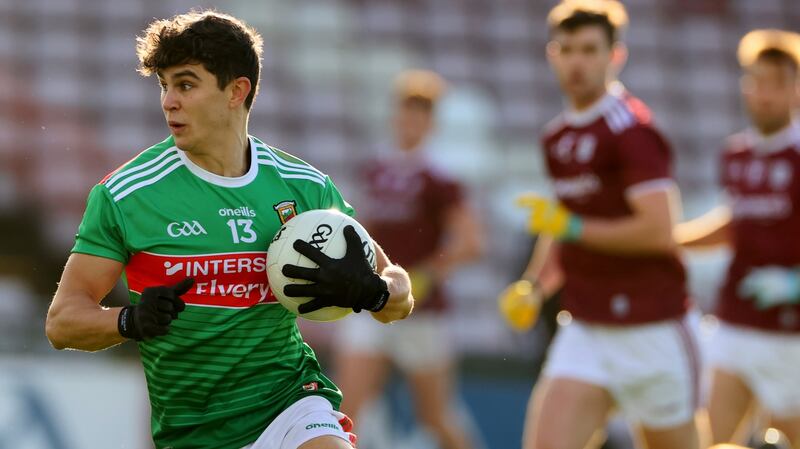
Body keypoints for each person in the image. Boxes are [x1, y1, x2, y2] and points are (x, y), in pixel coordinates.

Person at [44, 10, 413, 449]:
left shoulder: (305, 187)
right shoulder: (126, 195)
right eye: (164, 85)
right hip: (193, 430)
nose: (168, 101)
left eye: (185, 84)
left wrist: (372, 291)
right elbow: (62, 321)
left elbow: (399, 295)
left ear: (236, 90)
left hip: (290, 404)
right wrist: (129, 320)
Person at [498, 1, 702, 448]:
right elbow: (561, 222)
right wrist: (535, 285)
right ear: (552, 54)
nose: (577, 62)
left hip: (653, 329)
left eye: (590, 50)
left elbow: (658, 231)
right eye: (567, 49)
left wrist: (572, 228)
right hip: (587, 327)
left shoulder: (632, 130)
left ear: (615, 56)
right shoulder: (557, 137)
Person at [333, 69, 483, 449]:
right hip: (370, 302)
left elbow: (471, 241)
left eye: (418, 116)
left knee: (434, 417)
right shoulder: (378, 169)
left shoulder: (439, 177)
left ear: (430, 123)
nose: (408, 123)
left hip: (421, 310)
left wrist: (428, 274)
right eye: (404, 113)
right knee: (347, 409)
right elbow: (361, 230)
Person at [675, 29, 800, 447]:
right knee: (713, 439)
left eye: (776, 83)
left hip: (790, 335)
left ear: (795, 90)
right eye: (756, 81)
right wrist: (669, 241)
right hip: (734, 320)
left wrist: (794, 284)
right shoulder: (736, 154)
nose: (764, 93)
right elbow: (733, 224)